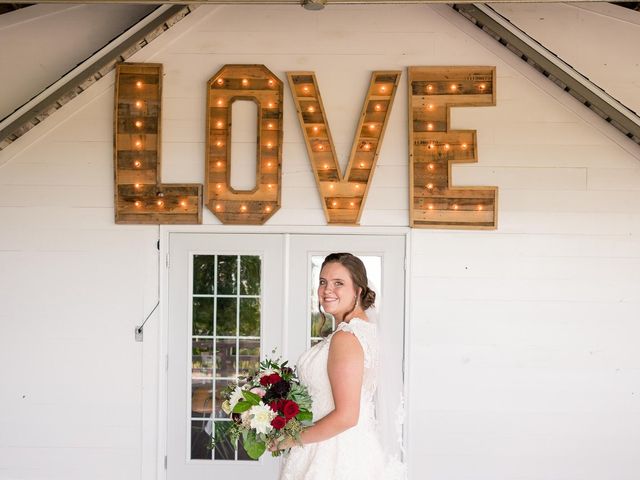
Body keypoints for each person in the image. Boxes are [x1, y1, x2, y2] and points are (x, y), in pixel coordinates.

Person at [268, 252, 406, 480]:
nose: (326, 290)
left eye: (338, 283)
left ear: (358, 290)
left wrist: (289, 439)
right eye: (323, 282)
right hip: (350, 445)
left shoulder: (346, 338)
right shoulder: (363, 331)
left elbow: (347, 416)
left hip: (333, 452)